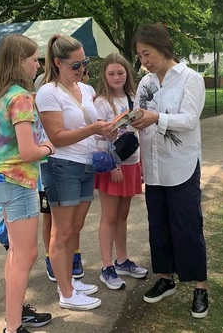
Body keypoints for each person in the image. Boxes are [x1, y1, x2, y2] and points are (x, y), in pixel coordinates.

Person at [130, 23, 209, 319]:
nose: (144, 61)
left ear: (163, 48)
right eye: (139, 56)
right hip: (153, 166)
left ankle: (200, 286)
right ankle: (165, 278)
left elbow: (189, 120)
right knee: (158, 226)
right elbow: (140, 115)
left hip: (182, 165)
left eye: (147, 53)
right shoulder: (145, 83)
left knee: (187, 226)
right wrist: (128, 122)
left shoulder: (191, 78)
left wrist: (155, 118)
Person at [35, 34, 115, 310]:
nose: (81, 68)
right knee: (62, 231)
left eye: (85, 62)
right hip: (62, 165)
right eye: (75, 64)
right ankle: (67, 293)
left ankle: (67, 280)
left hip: (86, 164)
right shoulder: (49, 92)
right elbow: (56, 137)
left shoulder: (88, 89)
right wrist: (94, 129)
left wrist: (109, 127)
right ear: (57, 63)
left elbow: (94, 124)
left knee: (75, 228)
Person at [0, 34, 55, 333]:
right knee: (26, 254)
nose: (38, 65)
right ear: (19, 62)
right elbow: (27, 151)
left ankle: (14, 317)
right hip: (19, 179)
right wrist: (49, 148)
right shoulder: (21, 97)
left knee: (16, 252)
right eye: (34, 59)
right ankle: (12, 327)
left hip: (2, 177)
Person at [94, 53, 147, 290]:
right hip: (112, 166)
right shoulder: (102, 102)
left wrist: (141, 163)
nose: (117, 77)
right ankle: (107, 266)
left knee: (123, 216)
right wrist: (113, 164)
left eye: (121, 72)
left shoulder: (134, 98)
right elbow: (100, 136)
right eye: (111, 73)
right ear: (104, 76)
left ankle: (122, 260)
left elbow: (139, 132)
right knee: (110, 216)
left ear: (128, 73)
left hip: (132, 162)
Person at [34, 78, 84, 283]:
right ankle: (50, 257)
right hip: (47, 166)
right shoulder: (38, 97)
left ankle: (74, 255)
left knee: (72, 218)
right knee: (50, 217)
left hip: (68, 162)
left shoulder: (72, 94)